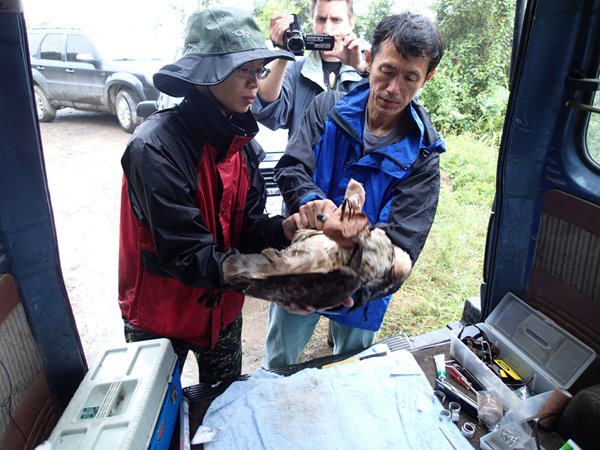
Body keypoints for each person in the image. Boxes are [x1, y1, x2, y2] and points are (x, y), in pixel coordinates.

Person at [117, 7, 308, 385]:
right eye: (244, 71)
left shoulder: (245, 149)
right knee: (155, 420)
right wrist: (277, 278)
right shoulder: (155, 149)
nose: (256, 83)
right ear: (206, 75)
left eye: (259, 70)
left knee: (221, 408)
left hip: (221, 313)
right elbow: (188, 254)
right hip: (158, 317)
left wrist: (283, 230)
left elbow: (246, 227)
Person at [263, 11, 446, 369]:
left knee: (351, 370)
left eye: (410, 77)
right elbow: (292, 166)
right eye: (387, 71)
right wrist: (312, 204)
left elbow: (402, 249)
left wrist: (348, 290)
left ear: (428, 77)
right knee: (279, 363)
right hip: (304, 265)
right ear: (370, 59)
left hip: (363, 293)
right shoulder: (328, 108)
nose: (394, 89)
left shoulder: (423, 156)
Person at [251, 0, 368, 138]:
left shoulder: (368, 68)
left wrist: (362, 69)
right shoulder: (296, 69)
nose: (327, 30)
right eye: (321, 19)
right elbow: (269, 111)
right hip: (304, 158)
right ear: (312, 22)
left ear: (351, 23)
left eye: (336, 20)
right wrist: (284, 50)